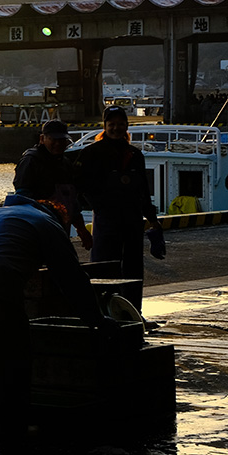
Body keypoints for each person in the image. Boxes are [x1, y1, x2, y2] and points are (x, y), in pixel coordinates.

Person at [0, 194, 108, 455]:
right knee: (9, 354)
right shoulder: (47, 223)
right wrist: (96, 320)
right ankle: (11, 428)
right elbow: (71, 278)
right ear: (57, 216)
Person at [70, 105, 164, 307]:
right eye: (111, 124)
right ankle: (103, 311)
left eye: (121, 124)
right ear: (104, 126)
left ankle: (133, 311)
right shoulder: (90, 153)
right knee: (104, 266)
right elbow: (77, 185)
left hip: (132, 218)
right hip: (106, 218)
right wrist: (95, 203)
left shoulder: (135, 154)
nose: (116, 128)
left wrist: (153, 221)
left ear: (126, 126)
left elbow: (143, 191)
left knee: (133, 269)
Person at [13, 119, 92, 249]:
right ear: (42, 139)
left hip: (61, 227)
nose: (58, 144)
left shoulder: (65, 163)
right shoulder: (30, 161)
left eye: (62, 140)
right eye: (53, 140)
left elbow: (72, 200)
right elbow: (21, 197)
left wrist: (82, 230)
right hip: (38, 227)